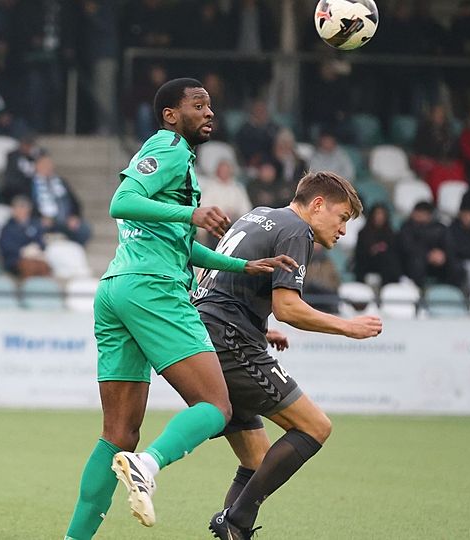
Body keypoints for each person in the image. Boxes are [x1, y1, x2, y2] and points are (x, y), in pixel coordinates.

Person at [63, 78, 296, 540]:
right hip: (153, 289)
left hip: (119, 288)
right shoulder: (168, 149)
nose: (209, 113)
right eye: (198, 105)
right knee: (216, 405)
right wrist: (192, 213)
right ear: (171, 115)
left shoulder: (174, 159)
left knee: (117, 434)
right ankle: (147, 465)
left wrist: (243, 266)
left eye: (210, 106)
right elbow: (121, 202)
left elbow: (181, 246)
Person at [193, 171, 382, 539]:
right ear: (317, 205)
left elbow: (220, 283)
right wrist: (348, 327)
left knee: (257, 460)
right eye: (342, 217)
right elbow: (288, 308)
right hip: (229, 341)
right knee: (315, 427)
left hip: (206, 336)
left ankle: (234, 529)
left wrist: (260, 329)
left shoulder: (259, 215)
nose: (343, 230)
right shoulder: (297, 230)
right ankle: (235, 521)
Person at [399, 201, 464, 287]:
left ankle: (453, 290)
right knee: (417, 263)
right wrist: (428, 254)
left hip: (439, 261)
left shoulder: (440, 228)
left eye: (423, 213)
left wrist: (443, 254)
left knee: (456, 265)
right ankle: (418, 290)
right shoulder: (406, 227)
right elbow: (407, 247)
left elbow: (450, 245)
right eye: (418, 213)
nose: (419, 216)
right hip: (417, 260)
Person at [354, 203, 403, 286]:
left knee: (389, 258)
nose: (380, 217)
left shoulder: (390, 233)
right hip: (368, 262)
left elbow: (394, 251)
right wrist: (373, 250)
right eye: (377, 214)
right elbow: (359, 254)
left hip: (385, 264)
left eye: (382, 214)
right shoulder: (363, 233)